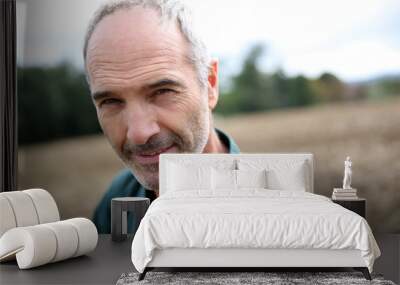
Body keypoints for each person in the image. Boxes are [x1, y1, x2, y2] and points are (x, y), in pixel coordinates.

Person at [83, 0, 240, 233]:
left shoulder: (272, 213)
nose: (139, 134)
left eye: (162, 91)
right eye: (111, 101)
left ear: (210, 84)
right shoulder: (118, 199)